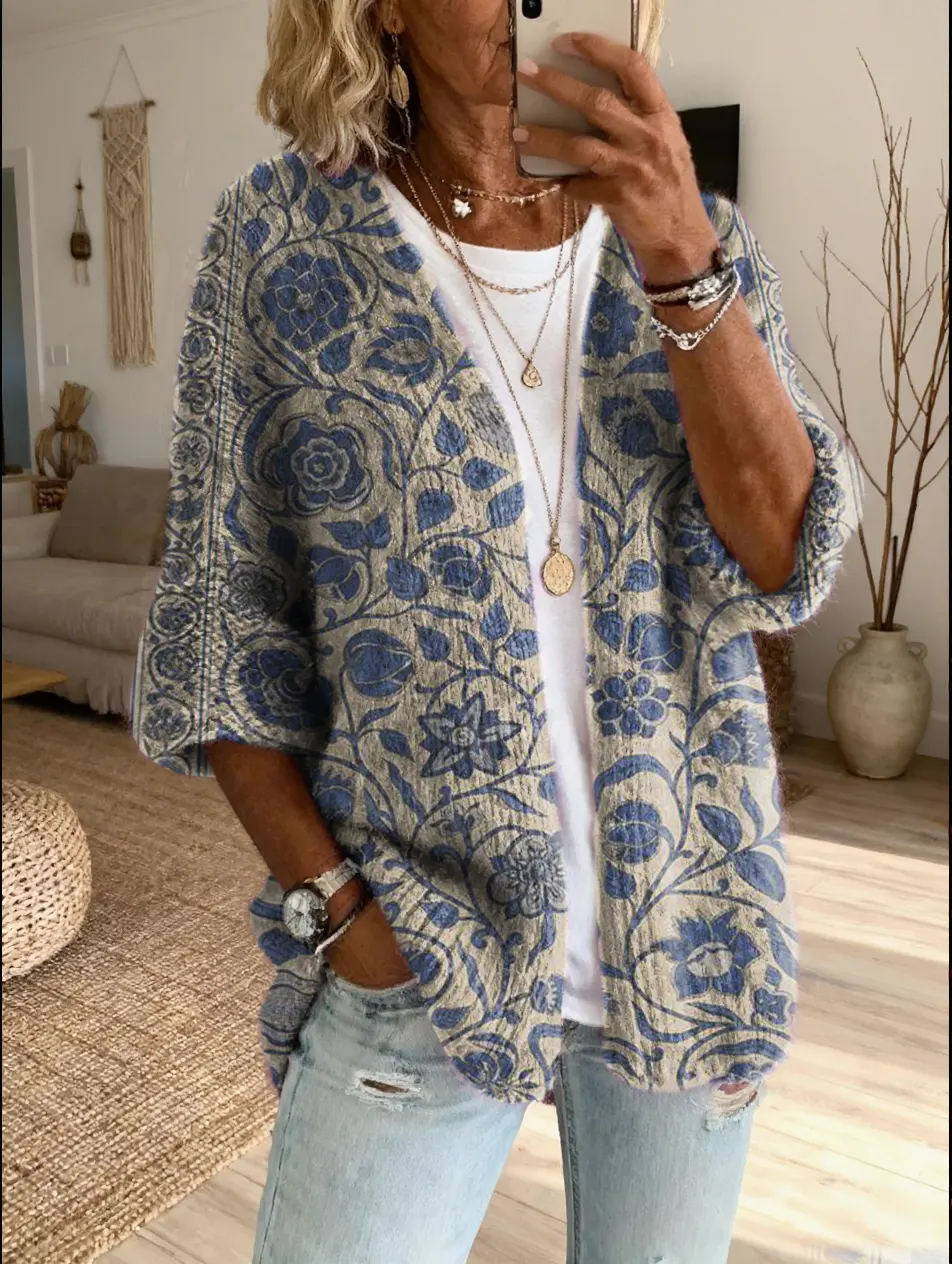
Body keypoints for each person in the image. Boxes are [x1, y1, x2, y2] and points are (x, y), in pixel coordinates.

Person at [133, 1, 860, 1260]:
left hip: (684, 929)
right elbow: (219, 630)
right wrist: (338, 915)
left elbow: (786, 556)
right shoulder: (279, 249)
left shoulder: (696, 237)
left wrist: (681, 255)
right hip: (421, 946)